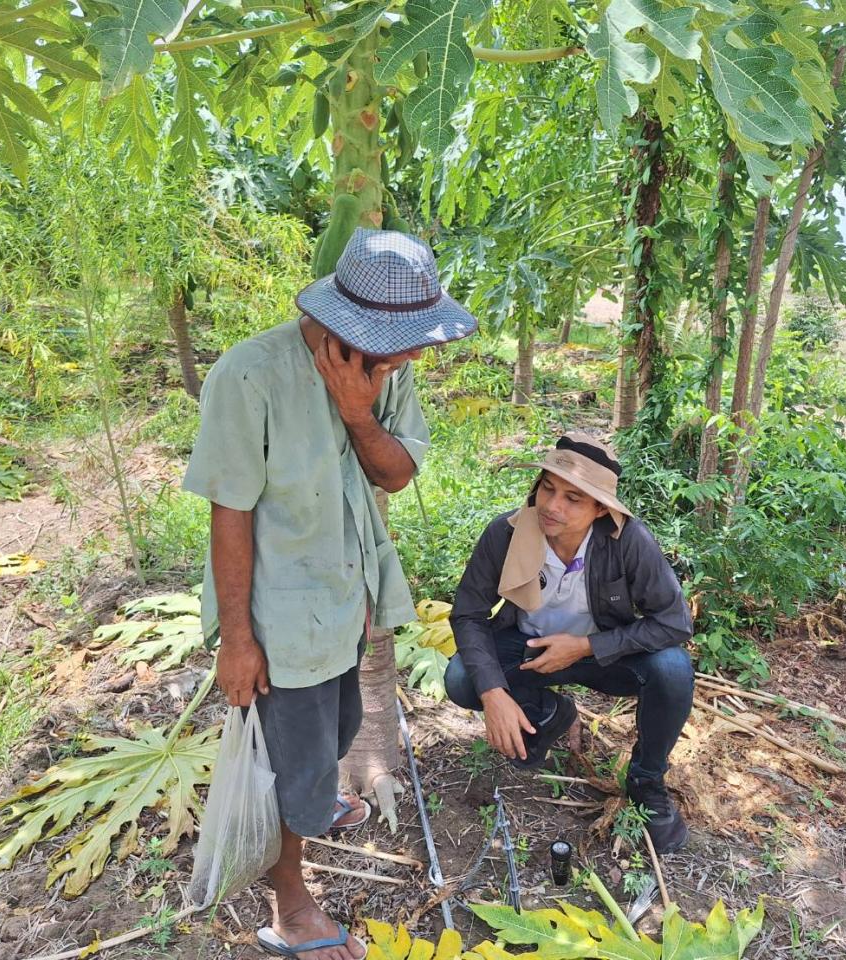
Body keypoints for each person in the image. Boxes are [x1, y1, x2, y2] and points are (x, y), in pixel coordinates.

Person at [183, 229, 476, 960]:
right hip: (280, 619)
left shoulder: (385, 371)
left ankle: (314, 804)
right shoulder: (249, 376)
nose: (412, 358)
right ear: (344, 326)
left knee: (332, 736)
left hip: (347, 601)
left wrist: (357, 411)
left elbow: (395, 472)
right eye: (401, 343)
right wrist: (239, 641)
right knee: (292, 764)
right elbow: (231, 513)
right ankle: (290, 907)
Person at [446, 432, 695, 852]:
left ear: (600, 508)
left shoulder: (629, 541)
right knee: (462, 679)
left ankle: (646, 782)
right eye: (547, 488)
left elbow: (674, 623)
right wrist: (493, 694)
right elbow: (469, 613)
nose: (552, 506)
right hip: (530, 650)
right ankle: (548, 715)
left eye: (573, 498)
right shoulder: (506, 535)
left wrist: (585, 647)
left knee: (672, 669)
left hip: (603, 656)